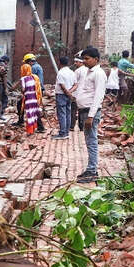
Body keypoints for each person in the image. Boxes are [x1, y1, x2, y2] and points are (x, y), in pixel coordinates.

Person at [75, 47, 107, 183]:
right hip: (85, 111)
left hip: (90, 112)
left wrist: (90, 116)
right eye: (83, 59)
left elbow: (98, 96)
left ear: (96, 59)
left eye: (87, 59)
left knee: (92, 141)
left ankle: (92, 171)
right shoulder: (87, 72)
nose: (84, 61)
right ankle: (91, 169)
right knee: (89, 141)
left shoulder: (98, 73)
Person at [14, 63, 42, 136]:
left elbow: (23, 89)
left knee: (29, 114)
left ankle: (30, 131)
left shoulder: (23, 78)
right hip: (35, 98)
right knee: (34, 113)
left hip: (28, 99)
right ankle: (34, 128)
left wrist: (21, 90)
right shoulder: (34, 77)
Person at [54, 56, 77, 140]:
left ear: (60, 63)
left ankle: (62, 133)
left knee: (62, 114)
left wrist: (67, 93)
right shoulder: (72, 72)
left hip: (61, 95)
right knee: (68, 113)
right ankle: (66, 132)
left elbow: (62, 86)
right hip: (69, 95)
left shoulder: (60, 73)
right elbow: (76, 85)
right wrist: (70, 93)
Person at [71, 54, 87, 131]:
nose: (75, 63)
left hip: (77, 92)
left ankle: (72, 126)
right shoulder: (87, 70)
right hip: (85, 93)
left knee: (73, 110)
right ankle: (82, 126)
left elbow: (74, 82)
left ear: (81, 62)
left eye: (76, 62)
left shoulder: (77, 71)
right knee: (82, 110)